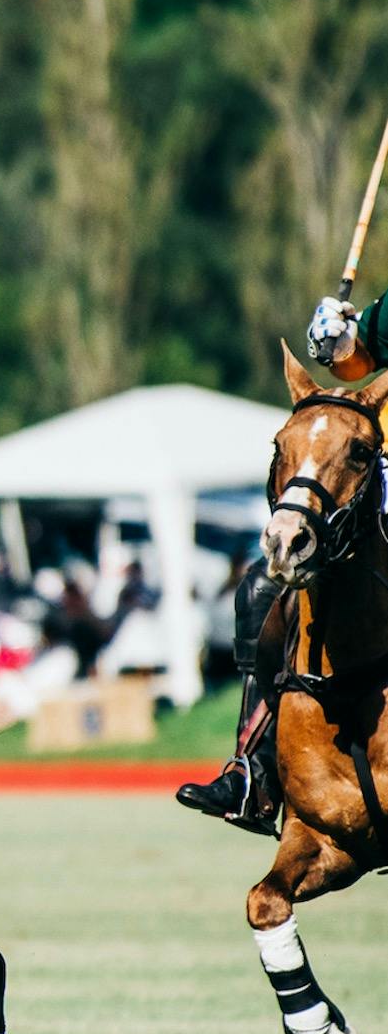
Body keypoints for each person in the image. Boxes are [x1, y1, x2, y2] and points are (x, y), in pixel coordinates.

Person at [180, 290, 384, 832]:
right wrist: (340, 342)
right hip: (375, 478)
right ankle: (257, 769)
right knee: (262, 591)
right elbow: (359, 362)